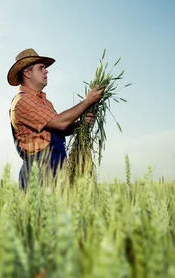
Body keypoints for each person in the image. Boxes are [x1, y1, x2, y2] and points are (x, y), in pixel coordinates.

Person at [7, 48, 104, 190]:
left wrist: (79, 124)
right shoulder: (22, 101)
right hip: (39, 175)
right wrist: (88, 101)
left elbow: (57, 130)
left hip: (57, 170)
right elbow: (59, 123)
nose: (46, 71)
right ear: (27, 73)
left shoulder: (44, 102)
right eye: (41, 68)